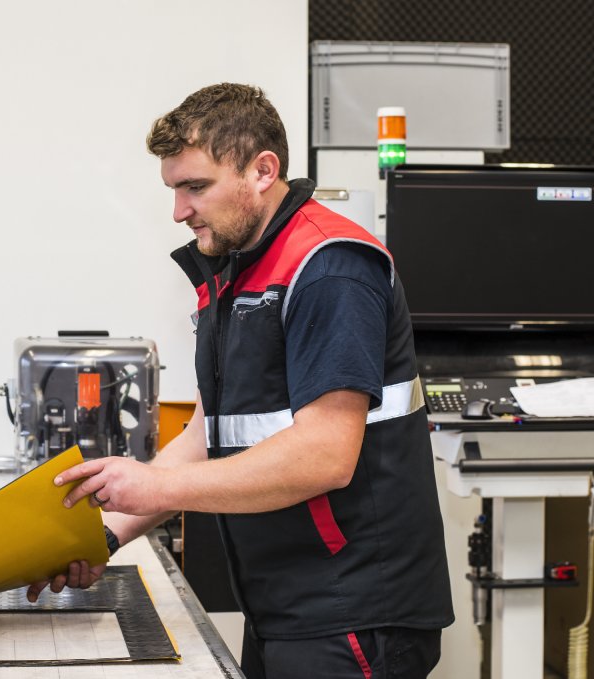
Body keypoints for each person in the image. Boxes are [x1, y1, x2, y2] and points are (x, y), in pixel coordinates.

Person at [27, 83, 454, 678]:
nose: (179, 211)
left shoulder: (329, 268)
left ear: (262, 171)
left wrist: (157, 488)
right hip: (284, 604)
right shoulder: (237, 274)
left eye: (195, 187)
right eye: (174, 190)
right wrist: (102, 537)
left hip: (353, 610)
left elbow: (324, 456)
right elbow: (208, 436)